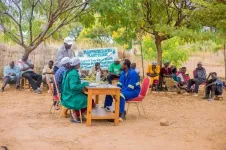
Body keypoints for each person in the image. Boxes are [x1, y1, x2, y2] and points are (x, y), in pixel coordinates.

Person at [61, 57, 89, 123]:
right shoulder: (73, 73)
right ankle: (76, 115)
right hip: (70, 96)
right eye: (79, 63)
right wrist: (84, 84)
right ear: (77, 64)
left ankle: (78, 114)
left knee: (86, 96)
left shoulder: (68, 71)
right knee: (89, 99)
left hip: (66, 94)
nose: (80, 65)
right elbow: (73, 86)